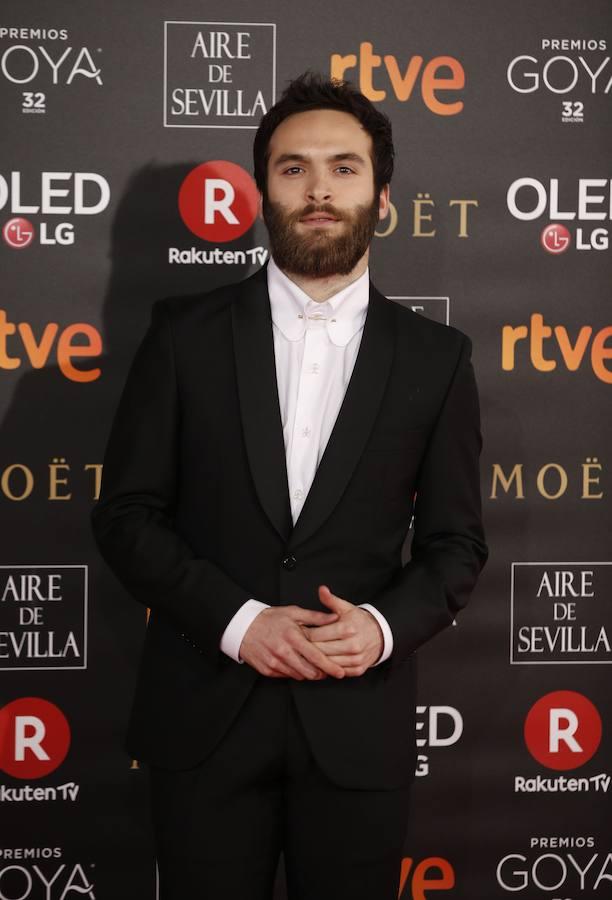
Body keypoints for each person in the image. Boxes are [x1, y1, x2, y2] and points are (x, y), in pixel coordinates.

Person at [91, 70, 488, 900]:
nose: (318, 189)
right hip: (203, 716)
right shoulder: (181, 336)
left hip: (358, 728)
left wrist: (380, 627)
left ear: (382, 196)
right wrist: (239, 622)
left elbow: (455, 545)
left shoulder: (437, 359)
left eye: (344, 167)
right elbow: (127, 516)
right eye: (292, 167)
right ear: (262, 190)